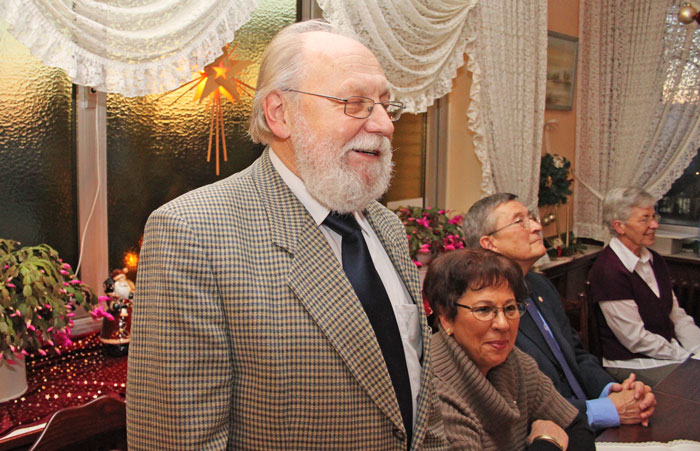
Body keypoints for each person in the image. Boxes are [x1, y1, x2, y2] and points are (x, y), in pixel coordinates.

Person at [126, 20, 445, 450]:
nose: (385, 125)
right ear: (280, 113)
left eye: (386, 105)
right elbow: (178, 440)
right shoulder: (193, 234)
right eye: (355, 103)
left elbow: (421, 399)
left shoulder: (385, 226)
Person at [462, 193, 656, 431]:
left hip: (591, 418)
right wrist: (607, 410)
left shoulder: (540, 285)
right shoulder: (484, 312)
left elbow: (577, 355)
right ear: (490, 244)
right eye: (520, 222)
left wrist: (612, 390)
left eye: (531, 218)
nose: (536, 227)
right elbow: (519, 404)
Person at [425, 248, 595, 450]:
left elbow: (578, 427)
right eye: (484, 309)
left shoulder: (515, 362)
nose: (503, 324)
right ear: (446, 317)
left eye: (510, 308)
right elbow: (559, 436)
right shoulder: (433, 389)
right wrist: (548, 442)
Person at [588, 187, 700, 386]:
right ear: (619, 226)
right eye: (645, 219)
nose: (654, 224)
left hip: (666, 354)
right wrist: (684, 356)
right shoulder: (609, 270)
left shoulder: (654, 260)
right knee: (693, 385)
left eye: (653, 217)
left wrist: (697, 348)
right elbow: (635, 339)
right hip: (633, 363)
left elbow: (676, 315)